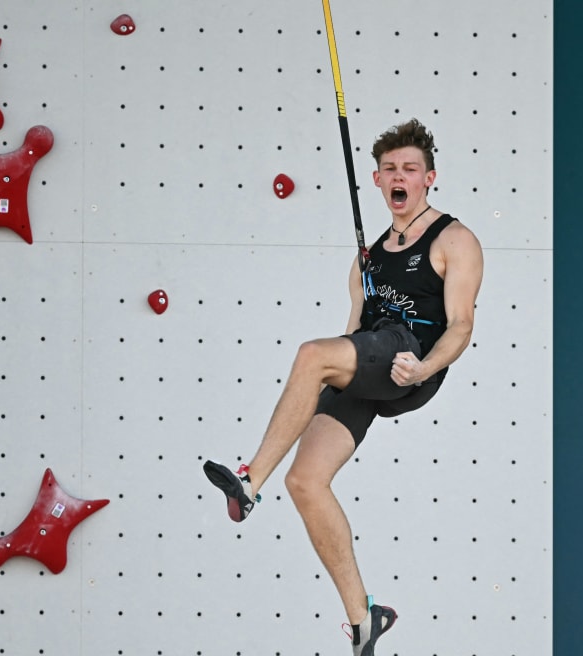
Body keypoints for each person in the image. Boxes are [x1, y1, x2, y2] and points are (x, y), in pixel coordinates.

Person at [203, 118, 483, 655]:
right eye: (390, 169)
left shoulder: (454, 239)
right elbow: (355, 334)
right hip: (372, 358)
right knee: (306, 481)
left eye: (411, 169)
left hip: (410, 358)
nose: (400, 176)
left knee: (311, 354)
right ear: (376, 180)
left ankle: (248, 481)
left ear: (429, 178)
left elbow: (462, 325)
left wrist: (423, 368)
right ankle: (363, 619)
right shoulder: (366, 260)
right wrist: (319, 398)